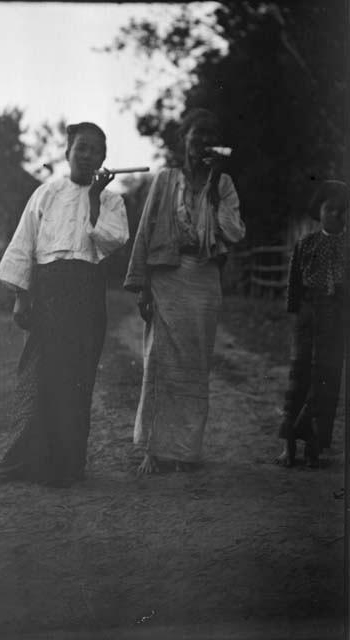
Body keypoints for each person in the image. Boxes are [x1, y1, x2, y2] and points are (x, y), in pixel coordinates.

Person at [0, 121, 129, 487]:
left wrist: (95, 199)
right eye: (81, 147)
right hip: (48, 291)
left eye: (96, 150)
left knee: (77, 377)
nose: (88, 156)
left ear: (104, 157)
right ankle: (26, 462)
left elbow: (111, 242)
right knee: (40, 375)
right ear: (68, 150)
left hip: (86, 291)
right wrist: (22, 296)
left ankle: (67, 467)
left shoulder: (112, 200)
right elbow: (24, 245)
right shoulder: (45, 194)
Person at [124, 108, 246, 474]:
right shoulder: (164, 179)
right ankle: (155, 450)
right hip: (167, 279)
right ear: (185, 139)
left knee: (194, 367)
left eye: (210, 136)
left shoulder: (222, 184)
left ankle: (186, 452)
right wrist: (142, 284)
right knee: (159, 363)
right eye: (197, 134)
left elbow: (234, 232)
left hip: (204, 280)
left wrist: (215, 189)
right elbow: (145, 231)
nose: (203, 142)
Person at [276, 180, 348, 468]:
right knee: (299, 378)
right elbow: (294, 286)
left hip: (336, 320)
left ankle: (314, 445)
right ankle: (289, 444)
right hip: (307, 318)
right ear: (318, 212)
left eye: (343, 211)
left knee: (326, 381)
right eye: (330, 209)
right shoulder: (305, 244)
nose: (337, 216)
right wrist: (296, 314)